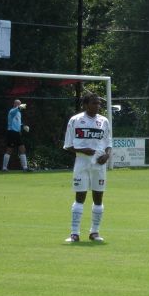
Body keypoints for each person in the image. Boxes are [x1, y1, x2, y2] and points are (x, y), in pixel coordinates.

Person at [63, 92, 113, 242]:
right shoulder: (75, 120)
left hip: (99, 165)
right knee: (80, 197)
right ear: (85, 105)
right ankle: (74, 233)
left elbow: (108, 143)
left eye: (98, 103)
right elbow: (68, 146)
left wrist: (107, 155)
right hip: (82, 163)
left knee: (98, 197)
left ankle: (95, 232)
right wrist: (82, 150)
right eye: (94, 103)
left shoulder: (104, 121)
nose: (97, 106)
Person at [2, 99, 30, 171]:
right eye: (17, 104)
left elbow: (19, 123)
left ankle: (25, 168)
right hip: (11, 133)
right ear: (14, 104)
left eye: (19, 104)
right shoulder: (12, 111)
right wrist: (19, 107)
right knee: (9, 150)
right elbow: (16, 110)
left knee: (22, 149)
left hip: (17, 134)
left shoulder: (19, 113)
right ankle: (4, 168)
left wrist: (23, 126)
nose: (19, 105)